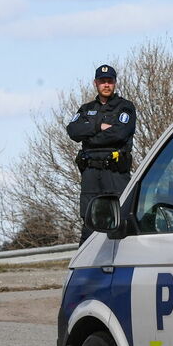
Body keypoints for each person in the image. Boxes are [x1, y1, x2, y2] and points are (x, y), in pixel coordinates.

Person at [66, 64, 136, 241]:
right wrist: (99, 126)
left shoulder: (125, 107)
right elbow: (73, 131)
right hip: (90, 174)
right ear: (95, 83)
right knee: (89, 223)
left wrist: (90, 135)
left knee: (119, 221)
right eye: (102, 81)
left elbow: (119, 134)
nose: (106, 85)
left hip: (114, 172)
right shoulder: (86, 108)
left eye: (110, 81)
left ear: (115, 83)